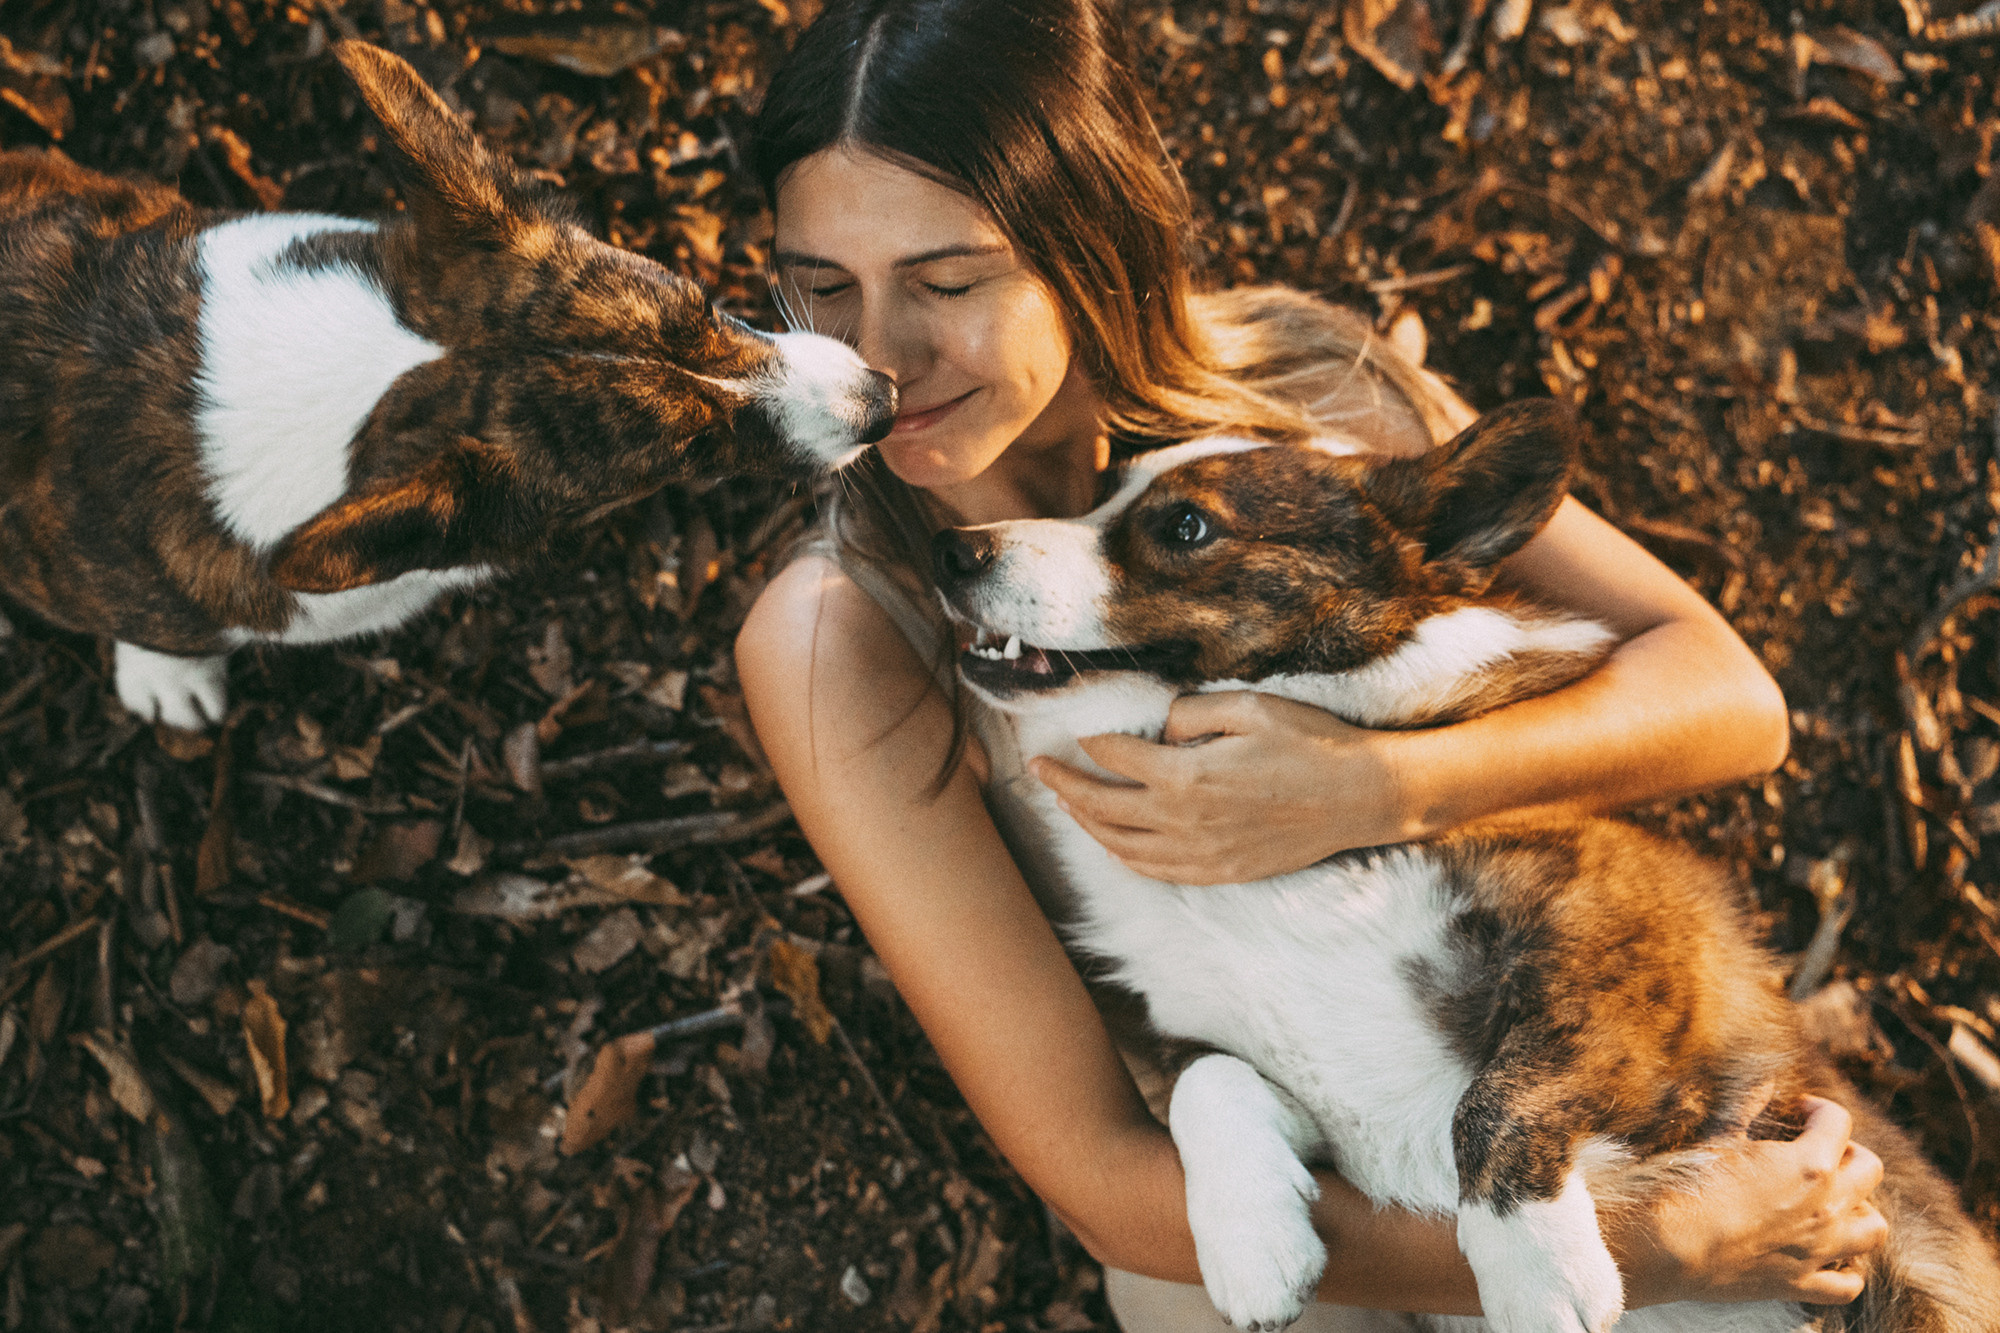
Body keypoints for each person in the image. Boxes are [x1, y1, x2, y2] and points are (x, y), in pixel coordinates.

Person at [733, 0, 1889, 1326]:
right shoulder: (842, 640)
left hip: (1516, 1045)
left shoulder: (1311, 395)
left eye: (947, 282)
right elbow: (1100, 1176)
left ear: (1087, 242)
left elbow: (1728, 698)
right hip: (1275, 1171)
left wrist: (1376, 788)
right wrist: (1664, 1241)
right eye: (821, 290)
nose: (876, 363)